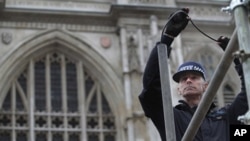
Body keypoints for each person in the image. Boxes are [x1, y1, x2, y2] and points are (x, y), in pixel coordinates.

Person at [138, 8, 247, 141]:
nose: (188, 80)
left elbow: (248, 91)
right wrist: (167, 39)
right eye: (183, 79)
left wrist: (235, 57)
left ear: (206, 86)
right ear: (179, 89)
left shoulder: (226, 117)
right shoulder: (171, 118)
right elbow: (150, 90)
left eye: (194, 77)